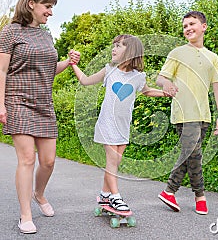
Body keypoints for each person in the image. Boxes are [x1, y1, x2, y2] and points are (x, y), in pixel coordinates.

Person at [0, 0, 80, 234]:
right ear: (31, 3)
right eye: (48, 6)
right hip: (18, 100)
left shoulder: (46, 35)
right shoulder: (11, 32)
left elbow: (49, 70)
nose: (50, 12)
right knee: (27, 158)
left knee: (49, 161)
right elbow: (0, 70)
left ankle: (39, 194)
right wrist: (1, 104)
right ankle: (25, 215)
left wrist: (68, 62)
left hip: (44, 103)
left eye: (52, 7)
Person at [71, 34, 170, 212]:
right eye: (114, 45)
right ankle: (116, 197)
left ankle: (104, 194)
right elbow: (85, 81)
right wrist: (73, 65)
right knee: (112, 160)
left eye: (119, 46)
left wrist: (165, 93)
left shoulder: (138, 77)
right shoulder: (110, 70)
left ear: (130, 51)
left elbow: (147, 91)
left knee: (115, 162)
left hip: (123, 126)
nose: (113, 49)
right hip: (107, 123)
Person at [156, 11, 218, 215]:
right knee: (192, 153)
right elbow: (160, 78)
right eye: (185, 26)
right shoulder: (177, 53)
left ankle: (198, 197)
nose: (188, 28)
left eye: (192, 24)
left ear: (203, 26)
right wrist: (167, 83)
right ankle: (172, 190)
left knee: (193, 156)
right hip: (183, 113)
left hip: (203, 114)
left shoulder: (212, 57)